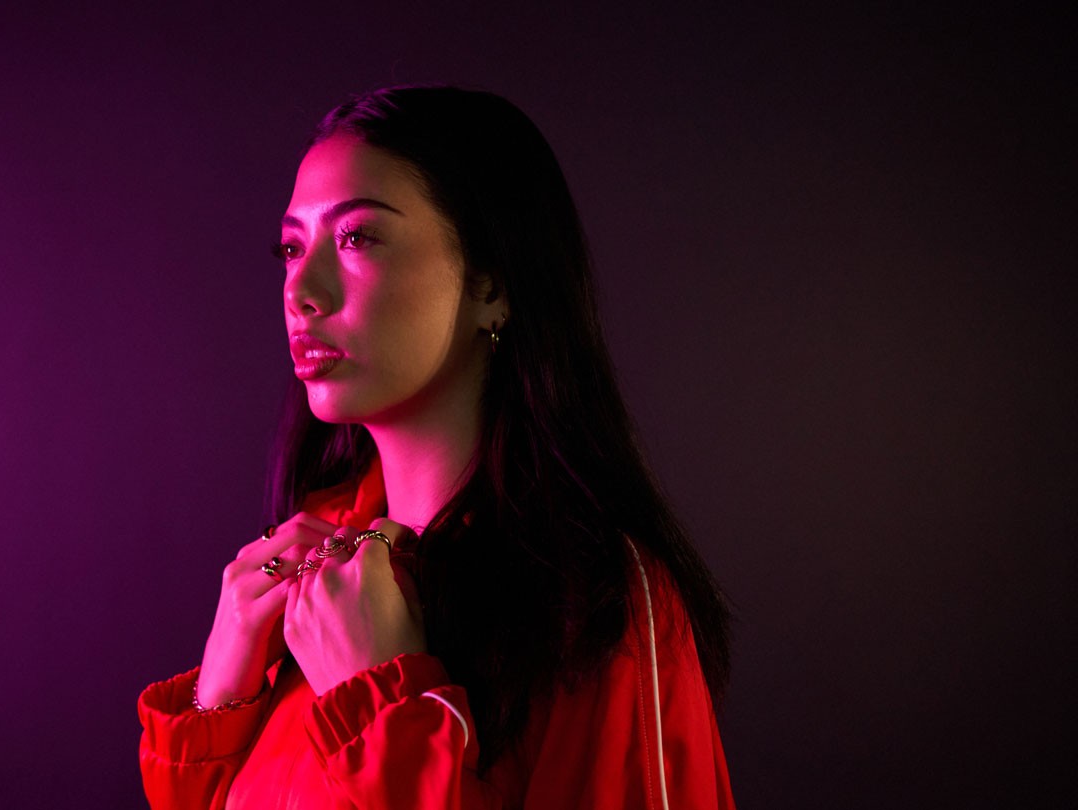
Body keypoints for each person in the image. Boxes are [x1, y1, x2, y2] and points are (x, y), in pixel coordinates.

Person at [137, 85, 736, 809]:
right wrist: (219, 700)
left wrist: (381, 708)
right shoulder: (311, 578)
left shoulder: (595, 602)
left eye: (357, 237)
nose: (301, 291)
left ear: (491, 285)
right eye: (292, 248)